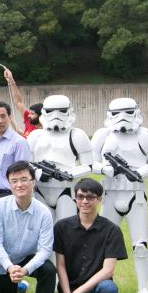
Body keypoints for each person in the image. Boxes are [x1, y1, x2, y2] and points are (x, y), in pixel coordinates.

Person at [90, 98, 148, 293]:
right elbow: (90, 162)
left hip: (135, 194)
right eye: (117, 113)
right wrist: (105, 169)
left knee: (140, 244)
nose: (122, 118)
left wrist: (140, 173)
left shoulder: (144, 135)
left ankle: (143, 288)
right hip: (110, 194)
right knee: (103, 243)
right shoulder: (102, 135)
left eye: (127, 112)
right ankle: (104, 283)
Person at [0, 161, 58, 293]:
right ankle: (20, 290)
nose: (20, 184)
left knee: (49, 270)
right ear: (9, 185)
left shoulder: (43, 212)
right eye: (14, 181)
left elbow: (45, 250)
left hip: (28, 258)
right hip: (5, 262)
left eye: (24, 179)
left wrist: (25, 269)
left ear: (33, 182)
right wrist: (10, 267)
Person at [54, 178, 127, 293]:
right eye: (80, 197)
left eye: (90, 197)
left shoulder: (112, 230)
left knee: (109, 289)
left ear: (100, 199)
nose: (85, 201)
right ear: (75, 198)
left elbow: (108, 271)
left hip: (97, 286)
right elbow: (60, 266)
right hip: (71, 287)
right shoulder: (61, 227)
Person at [27, 94, 94, 223]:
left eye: (61, 111)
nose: (55, 116)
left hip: (67, 189)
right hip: (40, 189)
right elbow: (27, 163)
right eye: (51, 112)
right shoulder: (35, 136)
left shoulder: (77, 135)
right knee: (44, 231)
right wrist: (38, 172)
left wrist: (68, 174)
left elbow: (89, 165)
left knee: (67, 231)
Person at [0, 101, 33, 222]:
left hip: (10, 195)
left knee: (12, 235)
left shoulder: (19, 143)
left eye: (3, 116)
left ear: (9, 118)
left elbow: (23, 174)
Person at [3, 68, 42, 138]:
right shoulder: (29, 121)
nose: (29, 115)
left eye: (32, 114)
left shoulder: (47, 130)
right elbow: (18, 102)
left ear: (41, 116)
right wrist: (11, 81)